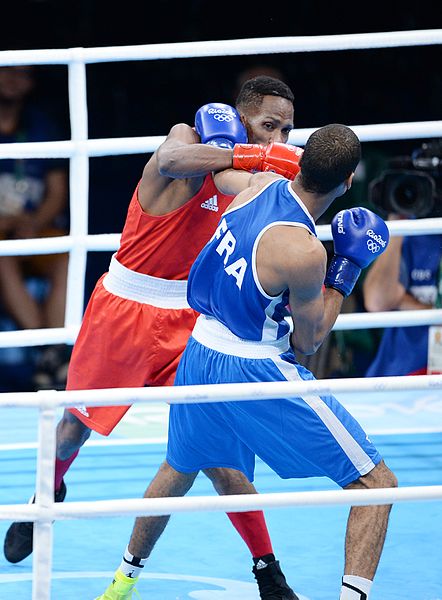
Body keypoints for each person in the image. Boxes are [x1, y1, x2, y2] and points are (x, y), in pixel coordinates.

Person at [5, 76, 302, 599]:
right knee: (75, 431)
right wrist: (256, 155)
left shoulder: (245, 175)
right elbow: (172, 161)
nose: (278, 138)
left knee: (218, 453)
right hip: (125, 309)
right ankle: (42, 495)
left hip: (190, 319)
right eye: (269, 126)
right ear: (240, 117)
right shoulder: (186, 138)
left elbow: (261, 185)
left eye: (287, 130)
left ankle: (267, 568)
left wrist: (302, 170)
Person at [97, 124, 398, 600]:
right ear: (348, 182)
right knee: (377, 484)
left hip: (198, 354)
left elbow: (221, 178)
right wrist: (345, 272)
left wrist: (260, 157)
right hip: (254, 368)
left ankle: (120, 585)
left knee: (179, 467)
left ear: (300, 162)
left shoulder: (258, 186)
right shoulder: (303, 252)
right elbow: (310, 340)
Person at [0, 65, 70, 390]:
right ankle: (50, 351)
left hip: (33, 227)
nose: (14, 80)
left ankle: (52, 350)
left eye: (23, 74)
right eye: (7, 71)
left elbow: (58, 190)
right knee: (3, 256)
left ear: (31, 83)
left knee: (64, 256)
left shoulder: (42, 125)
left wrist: (33, 223)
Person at [363, 211, 442, 376]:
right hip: (399, 376)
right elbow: (377, 301)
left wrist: (402, 300)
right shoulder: (411, 232)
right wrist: (397, 225)